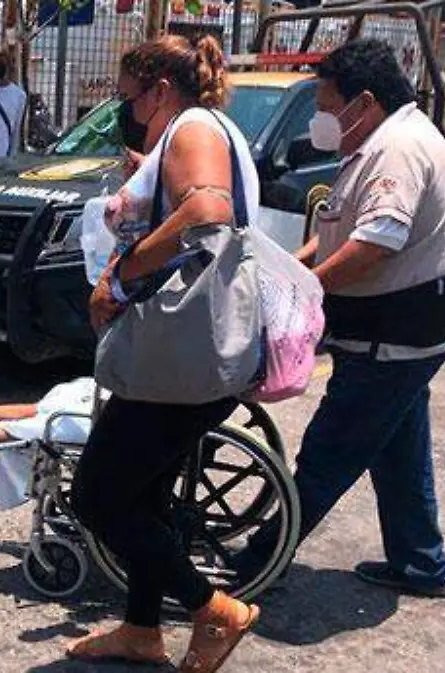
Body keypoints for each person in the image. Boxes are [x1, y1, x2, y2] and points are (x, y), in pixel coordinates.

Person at [235, 39, 445, 599]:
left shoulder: (397, 150)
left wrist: (307, 293)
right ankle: (422, 563)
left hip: (391, 335)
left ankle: (258, 563)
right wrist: (292, 270)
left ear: (364, 103)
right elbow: (343, 227)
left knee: (330, 451)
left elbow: (377, 241)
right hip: (403, 331)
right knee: (398, 448)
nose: (320, 119)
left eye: (326, 105)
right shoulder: (382, 141)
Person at [66, 35, 261, 673]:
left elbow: (207, 209)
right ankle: (141, 629)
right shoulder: (196, 129)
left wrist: (121, 276)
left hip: (180, 358)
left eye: (130, 99)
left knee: (97, 496)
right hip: (186, 355)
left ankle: (214, 610)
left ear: (160, 91)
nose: (127, 111)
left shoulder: (192, 128)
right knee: (144, 494)